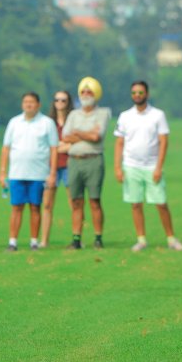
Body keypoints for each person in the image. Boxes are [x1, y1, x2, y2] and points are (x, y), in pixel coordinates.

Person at [114, 80, 182, 251]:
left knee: (161, 203)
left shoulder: (158, 115)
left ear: (147, 94)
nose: (137, 96)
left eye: (140, 92)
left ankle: (171, 239)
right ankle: (141, 239)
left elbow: (163, 141)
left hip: (152, 165)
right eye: (134, 93)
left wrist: (159, 167)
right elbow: (119, 143)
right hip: (131, 165)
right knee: (136, 203)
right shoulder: (125, 116)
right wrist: (117, 167)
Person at [0, 92, 59, 252]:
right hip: (17, 172)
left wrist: (52, 172)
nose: (28, 105)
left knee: (35, 207)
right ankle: (13, 241)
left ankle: (34, 241)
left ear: (38, 105)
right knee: (16, 207)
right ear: (22, 104)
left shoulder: (47, 123)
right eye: (26, 102)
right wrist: (3, 172)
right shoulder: (14, 122)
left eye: (32, 102)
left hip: (39, 173)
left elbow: (54, 149)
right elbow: (6, 148)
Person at [64, 77, 111, 249]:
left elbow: (96, 137)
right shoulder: (73, 114)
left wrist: (78, 133)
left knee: (94, 200)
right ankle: (76, 238)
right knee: (76, 201)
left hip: (93, 160)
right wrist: (86, 133)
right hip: (74, 161)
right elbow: (65, 136)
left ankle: (98, 237)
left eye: (89, 92)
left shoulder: (103, 113)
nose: (85, 95)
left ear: (96, 94)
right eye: (83, 92)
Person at [41, 89, 72, 247]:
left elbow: (75, 143)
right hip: (51, 166)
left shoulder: (73, 120)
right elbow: (45, 146)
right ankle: (44, 240)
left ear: (68, 102)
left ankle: (76, 238)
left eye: (63, 100)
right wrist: (61, 146)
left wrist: (58, 146)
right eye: (57, 100)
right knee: (47, 204)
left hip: (70, 165)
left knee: (74, 203)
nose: (60, 103)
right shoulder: (47, 122)